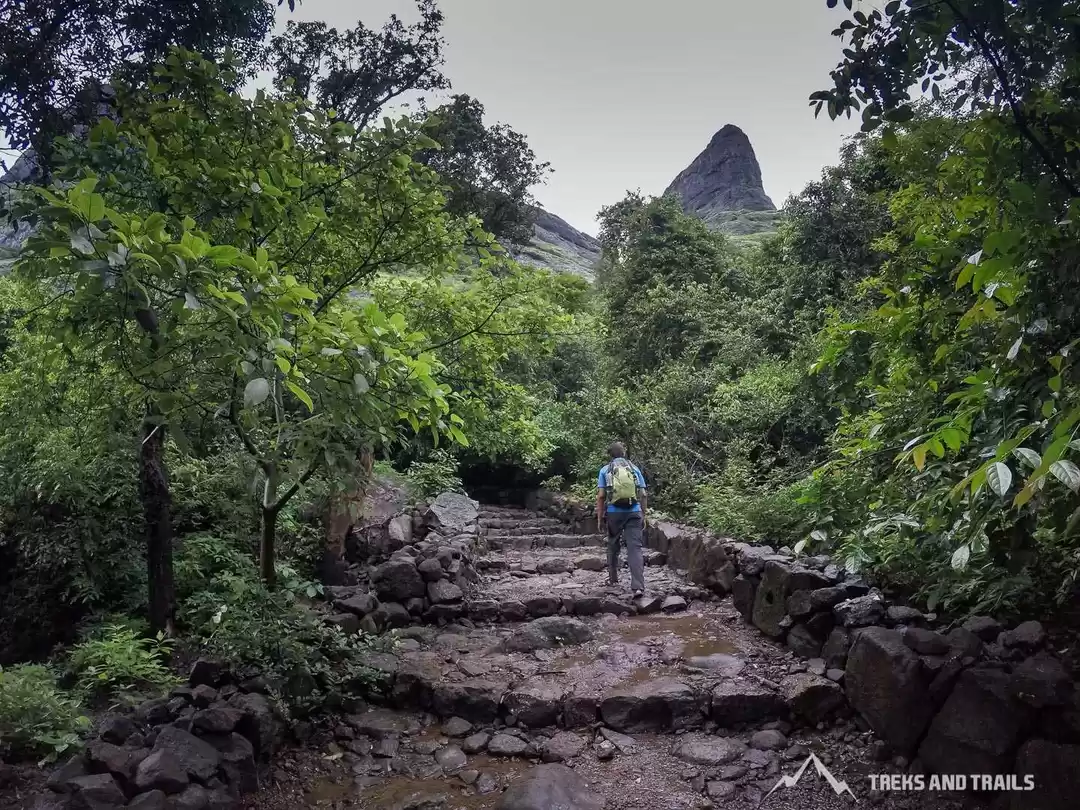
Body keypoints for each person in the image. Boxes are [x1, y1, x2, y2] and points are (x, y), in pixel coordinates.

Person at [596, 442, 647, 597]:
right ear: (624, 453)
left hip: (614, 513)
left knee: (613, 544)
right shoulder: (634, 469)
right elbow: (643, 494)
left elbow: (601, 496)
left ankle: (613, 579)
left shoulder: (605, 470)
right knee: (635, 549)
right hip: (634, 512)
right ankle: (638, 587)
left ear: (610, 455)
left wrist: (599, 517)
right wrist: (643, 514)